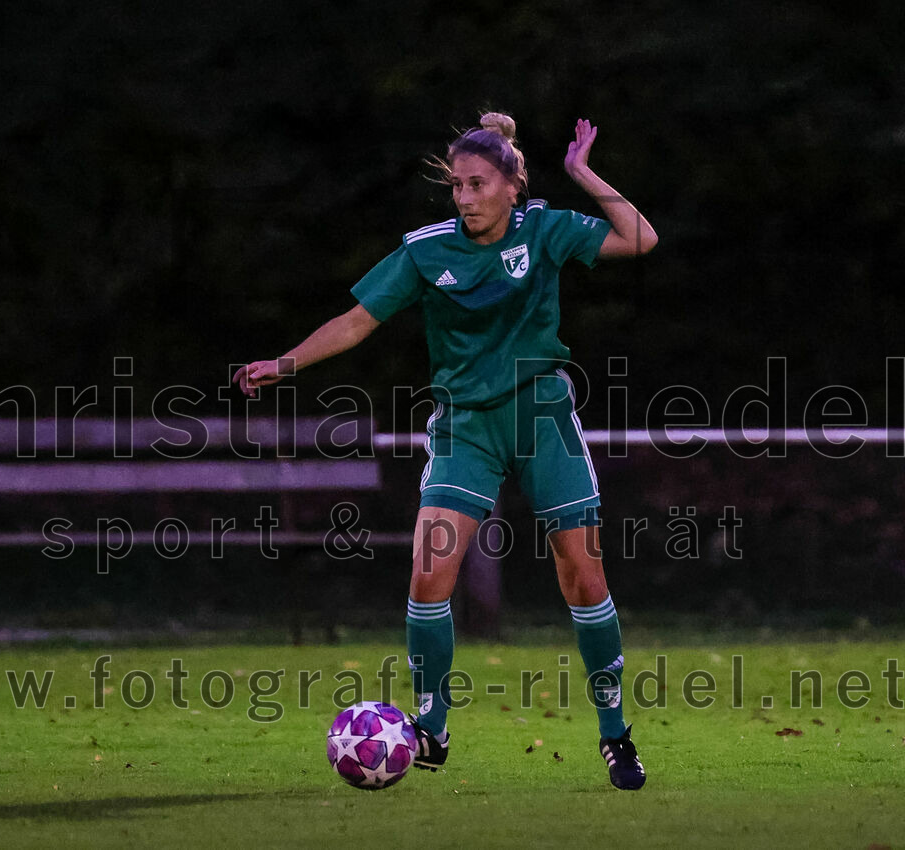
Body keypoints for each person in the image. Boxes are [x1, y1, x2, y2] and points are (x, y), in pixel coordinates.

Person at [234, 112, 658, 790]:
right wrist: (284, 364)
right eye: (456, 186)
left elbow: (639, 237)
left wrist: (581, 172)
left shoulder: (545, 230)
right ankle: (432, 725)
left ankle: (615, 734)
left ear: (512, 185)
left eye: (478, 184)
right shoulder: (427, 251)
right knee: (429, 572)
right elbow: (355, 321)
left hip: (540, 416)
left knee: (584, 577)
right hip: (464, 424)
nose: (464, 198)